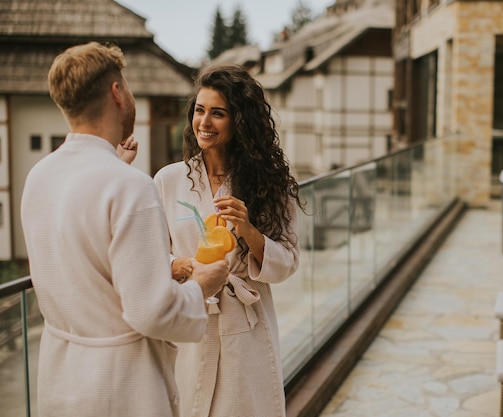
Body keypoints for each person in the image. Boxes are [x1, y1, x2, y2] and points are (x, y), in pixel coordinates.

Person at [20, 42, 229, 417]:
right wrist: (203, 286)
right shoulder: (131, 186)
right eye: (128, 85)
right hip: (121, 386)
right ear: (117, 93)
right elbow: (152, 312)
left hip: (59, 376)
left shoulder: (39, 177)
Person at [153, 65, 305, 417]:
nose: (204, 122)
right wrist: (180, 265)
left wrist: (248, 230)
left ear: (240, 121)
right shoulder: (169, 180)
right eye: (199, 110)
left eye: (218, 113)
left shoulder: (270, 185)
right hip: (191, 312)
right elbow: (151, 253)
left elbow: (288, 261)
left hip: (244, 323)